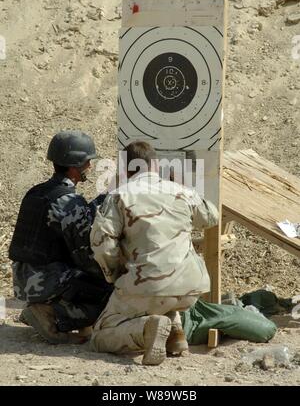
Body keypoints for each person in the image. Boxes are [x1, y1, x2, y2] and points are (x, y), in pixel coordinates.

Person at [90, 141, 219, 365]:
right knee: (161, 294)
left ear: (125, 169)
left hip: (146, 286)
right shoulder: (181, 192)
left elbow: (101, 242)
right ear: (156, 164)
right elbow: (211, 217)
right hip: (190, 287)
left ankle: (146, 331)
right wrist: (185, 189)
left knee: (100, 334)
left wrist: (115, 275)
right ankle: (175, 334)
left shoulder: (119, 196)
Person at [9, 130, 113, 344]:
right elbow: (87, 258)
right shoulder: (70, 203)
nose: (90, 167)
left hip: (23, 279)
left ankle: (43, 307)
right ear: (74, 165)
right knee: (110, 296)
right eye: (87, 162)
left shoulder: (37, 192)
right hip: (46, 280)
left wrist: (95, 205)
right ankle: (53, 315)